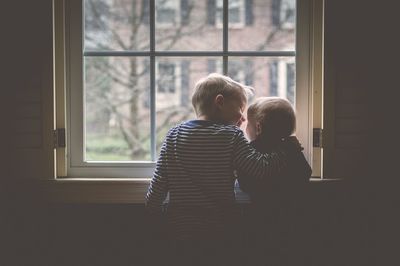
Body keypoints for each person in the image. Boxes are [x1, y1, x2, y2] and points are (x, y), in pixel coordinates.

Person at [145, 74, 302, 266]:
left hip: (180, 229)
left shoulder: (174, 135)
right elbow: (261, 168)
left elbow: (159, 182)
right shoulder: (231, 136)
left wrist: (153, 214)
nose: (243, 118)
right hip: (219, 229)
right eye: (240, 109)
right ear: (219, 102)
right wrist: (287, 147)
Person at [238, 97, 312, 266]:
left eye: (248, 123)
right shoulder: (291, 149)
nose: (245, 127)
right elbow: (306, 172)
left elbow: (246, 183)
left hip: (261, 215)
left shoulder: (253, 150)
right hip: (292, 215)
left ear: (258, 127)